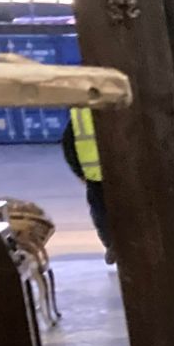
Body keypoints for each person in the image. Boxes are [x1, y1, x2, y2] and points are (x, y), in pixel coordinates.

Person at [60, 107, 112, 264]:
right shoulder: (119, 109)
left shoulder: (79, 115)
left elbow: (68, 144)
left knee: (101, 214)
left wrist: (79, 172)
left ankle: (112, 246)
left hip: (94, 175)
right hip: (122, 174)